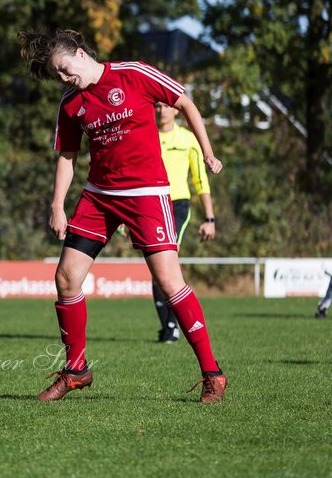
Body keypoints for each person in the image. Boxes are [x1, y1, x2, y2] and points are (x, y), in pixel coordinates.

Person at [18, 29, 226, 403]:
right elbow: (67, 156)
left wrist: (208, 152)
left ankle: (213, 373)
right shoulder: (70, 104)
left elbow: (186, 103)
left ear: (81, 54)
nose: (65, 78)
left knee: (169, 283)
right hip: (99, 197)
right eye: (58, 75)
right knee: (66, 278)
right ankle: (77, 370)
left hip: (147, 194)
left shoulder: (133, 73)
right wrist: (56, 205)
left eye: (65, 69)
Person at [151, 99, 217, 343]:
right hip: (150, 204)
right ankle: (169, 326)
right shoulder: (146, 135)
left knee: (166, 260)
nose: (161, 111)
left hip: (177, 205)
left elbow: (201, 181)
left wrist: (209, 218)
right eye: (156, 106)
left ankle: (173, 326)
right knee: (156, 269)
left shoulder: (188, 139)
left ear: (175, 109)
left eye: (165, 106)